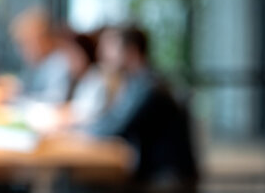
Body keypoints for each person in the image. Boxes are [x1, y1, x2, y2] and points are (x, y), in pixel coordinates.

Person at [81, 25, 198, 191]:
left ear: (131, 50)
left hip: (165, 179)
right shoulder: (135, 82)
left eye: (111, 47)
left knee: (85, 185)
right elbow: (112, 118)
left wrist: (81, 130)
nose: (103, 54)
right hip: (149, 171)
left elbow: (117, 126)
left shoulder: (149, 87)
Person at [9, 8, 72, 104]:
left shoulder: (60, 63)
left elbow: (54, 103)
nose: (22, 51)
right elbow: (29, 88)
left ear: (44, 39)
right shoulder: (40, 64)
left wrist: (15, 98)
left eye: (26, 43)